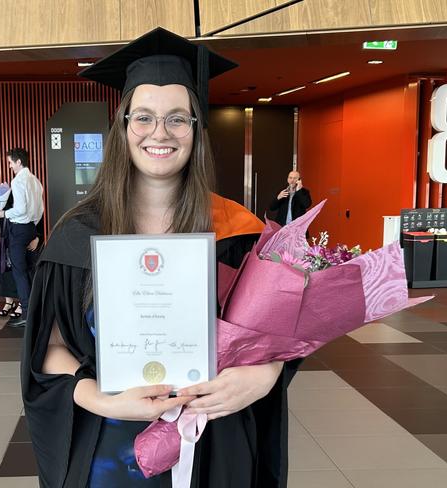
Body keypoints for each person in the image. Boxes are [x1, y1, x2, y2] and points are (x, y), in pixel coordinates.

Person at [21, 28, 301, 488]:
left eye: (177, 119)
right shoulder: (78, 234)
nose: (160, 133)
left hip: (214, 437)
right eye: (144, 117)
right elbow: (50, 350)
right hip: (111, 448)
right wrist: (105, 401)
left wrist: (266, 374)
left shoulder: (236, 230)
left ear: (196, 129)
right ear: (124, 125)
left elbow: (276, 338)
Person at [0, 148, 44, 328]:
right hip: (31, 228)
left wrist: (3, 213)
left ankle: (26, 312)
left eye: (10, 162)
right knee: (30, 271)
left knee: (19, 272)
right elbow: (40, 211)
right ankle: (34, 311)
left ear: (18, 162)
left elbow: (20, 209)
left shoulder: (18, 181)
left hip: (19, 230)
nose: (10, 166)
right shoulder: (36, 181)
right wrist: (33, 229)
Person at [0, 193, 43, 317]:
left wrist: (37, 238)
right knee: (6, 270)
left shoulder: (30, 204)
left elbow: (38, 223)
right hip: (8, 239)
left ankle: (23, 304)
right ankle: (9, 302)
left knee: (24, 271)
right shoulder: (6, 203)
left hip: (24, 240)